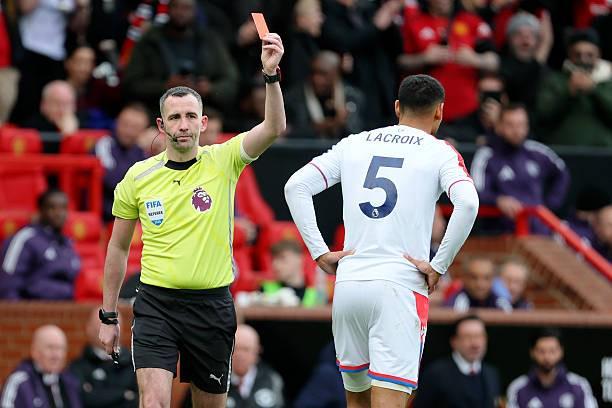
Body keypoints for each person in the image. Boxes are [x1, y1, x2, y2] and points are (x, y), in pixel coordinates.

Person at [98, 32, 286, 408]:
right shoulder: (138, 176)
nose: (182, 124)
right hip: (156, 303)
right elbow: (117, 247)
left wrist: (270, 76)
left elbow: (273, 128)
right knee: (153, 402)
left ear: (202, 122)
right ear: (161, 125)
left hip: (212, 307)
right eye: (174, 117)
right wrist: (108, 315)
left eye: (189, 116)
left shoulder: (224, 160)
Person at [284, 74, 479, 407]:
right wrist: (439, 265)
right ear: (440, 112)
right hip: (399, 286)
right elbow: (469, 204)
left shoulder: (354, 143)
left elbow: (295, 186)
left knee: (357, 402)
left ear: (398, 107)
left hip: (349, 285)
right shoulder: (441, 152)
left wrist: (319, 252)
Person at [471, 104, 570, 234]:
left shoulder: (537, 151)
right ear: (499, 126)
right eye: (510, 125)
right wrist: (497, 200)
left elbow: (562, 172)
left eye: (521, 125)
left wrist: (550, 205)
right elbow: (474, 191)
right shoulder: (486, 156)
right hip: (501, 234)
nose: (516, 131)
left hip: (539, 230)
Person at [536, 28, 612, 147]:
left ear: (598, 55)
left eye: (589, 55)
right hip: (564, 151)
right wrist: (569, 91)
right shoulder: (555, 80)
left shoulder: (608, 82)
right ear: (569, 55)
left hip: (603, 152)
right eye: (578, 55)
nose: (583, 60)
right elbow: (543, 115)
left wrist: (593, 90)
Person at [0, 189, 81, 300]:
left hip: (66, 307)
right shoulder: (25, 239)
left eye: (63, 208)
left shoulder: (68, 243)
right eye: (52, 208)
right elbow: (8, 284)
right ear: (41, 210)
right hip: (31, 307)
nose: (59, 213)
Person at [413, 315, 501, 408]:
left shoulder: (491, 374)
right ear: (454, 342)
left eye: (479, 336)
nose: (475, 344)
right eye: (467, 337)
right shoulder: (435, 374)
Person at [506, 328, 598, 408]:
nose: (547, 357)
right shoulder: (518, 388)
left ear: (561, 351)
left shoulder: (578, 385)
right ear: (532, 352)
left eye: (552, 351)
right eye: (542, 351)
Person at [70, 308, 138, 407]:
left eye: (114, 325)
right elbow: (84, 399)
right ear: (89, 329)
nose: (110, 332)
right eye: (104, 325)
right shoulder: (78, 367)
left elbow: (141, 399)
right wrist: (124, 395)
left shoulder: (134, 365)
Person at [0, 325, 82, 408]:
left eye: (60, 348)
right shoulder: (20, 382)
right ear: (34, 351)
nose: (56, 355)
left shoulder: (70, 383)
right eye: (50, 347)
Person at [93, 103, 149, 222]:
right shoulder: (104, 144)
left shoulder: (146, 150)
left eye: (135, 127)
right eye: (125, 124)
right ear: (117, 123)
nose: (128, 131)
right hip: (107, 217)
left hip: (139, 218)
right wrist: (137, 149)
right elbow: (112, 181)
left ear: (143, 131)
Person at [225, 324, 284, 408]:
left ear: (257, 351)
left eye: (246, 349)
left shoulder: (272, 380)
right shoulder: (219, 381)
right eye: (235, 349)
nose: (240, 355)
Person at [444, 256, 513, 312]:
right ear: (464, 278)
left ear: (493, 279)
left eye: (486, 278)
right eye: (474, 278)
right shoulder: (454, 304)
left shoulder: (501, 303)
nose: (480, 284)